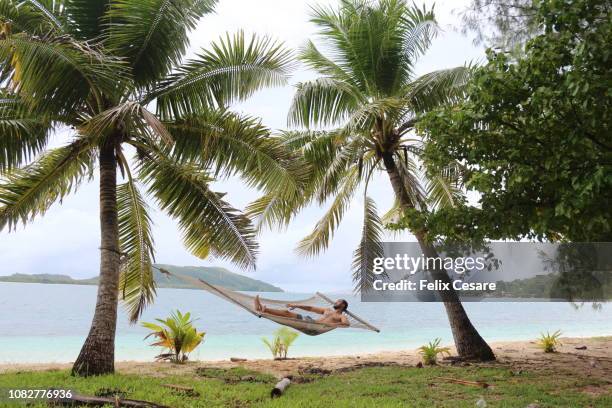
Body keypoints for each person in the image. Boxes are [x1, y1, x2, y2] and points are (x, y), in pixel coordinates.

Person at [254, 295, 350, 327]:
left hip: (314, 326)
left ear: (343, 305)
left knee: (287, 316)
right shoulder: (327, 310)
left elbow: (346, 324)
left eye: (338, 302)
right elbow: (310, 308)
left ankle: (263, 310)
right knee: (287, 313)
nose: (335, 302)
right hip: (310, 321)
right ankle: (263, 309)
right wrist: (296, 305)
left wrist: (330, 325)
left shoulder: (341, 316)